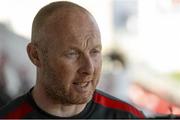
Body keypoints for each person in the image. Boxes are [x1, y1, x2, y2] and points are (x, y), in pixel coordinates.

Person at [0, 1, 145, 119]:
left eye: (95, 52)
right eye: (72, 54)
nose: (89, 69)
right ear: (35, 55)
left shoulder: (127, 116)